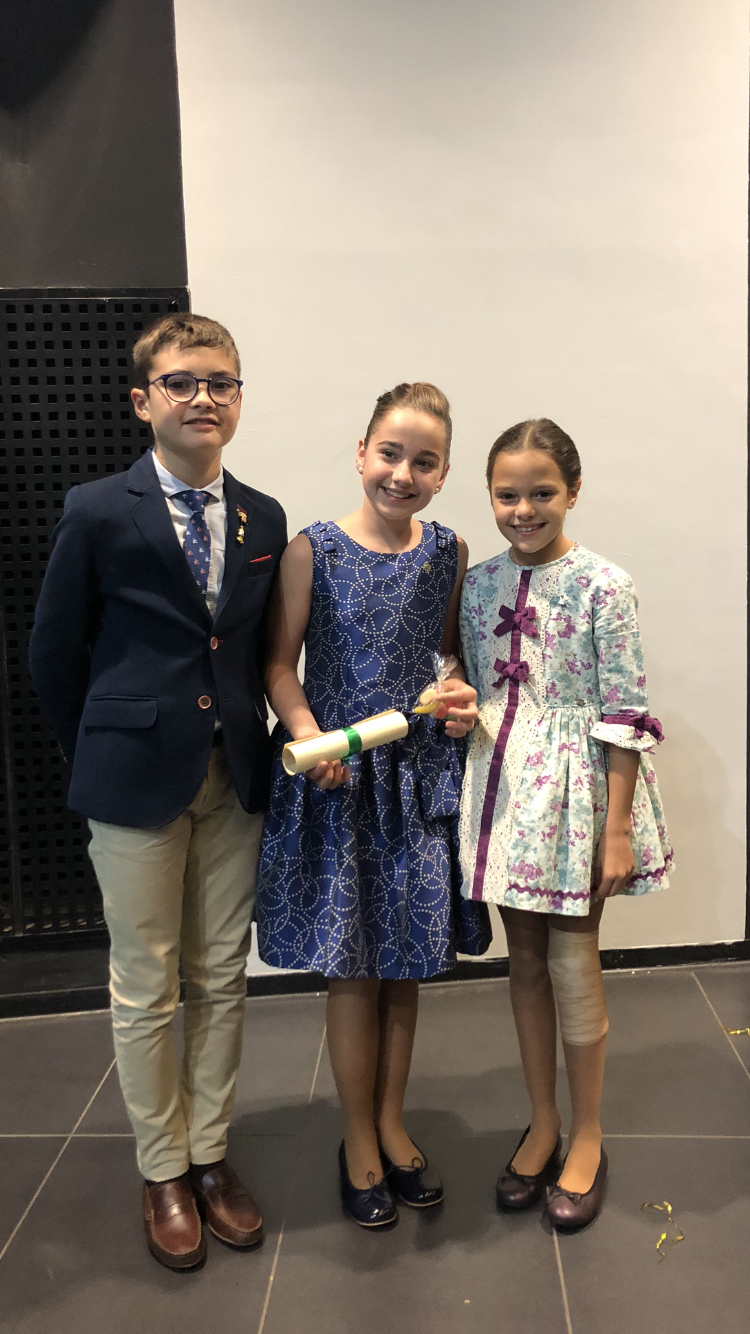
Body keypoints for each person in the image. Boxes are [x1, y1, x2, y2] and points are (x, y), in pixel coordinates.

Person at [29, 313, 287, 1270]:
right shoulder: (99, 508)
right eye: (182, 382)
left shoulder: (263, 516)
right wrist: (97, 754)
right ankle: (162, 1169)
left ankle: (210, 1154)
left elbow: (254, 651)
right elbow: (54, 652)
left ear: (238, 397)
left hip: (234, 776)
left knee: (220, 975)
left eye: (221, 382)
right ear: (144, 401)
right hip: (131, 779)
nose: (203, 398)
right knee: (146, 984)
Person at [256, 382, 491, 1228]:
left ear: (443, 474)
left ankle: (392, 1121)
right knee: (353, 969)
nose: (403, 473)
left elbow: (448, 660)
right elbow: (279, 665)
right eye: (390, 453)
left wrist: (456, 699)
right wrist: (311, 737)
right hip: (341, 780)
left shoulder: (449, 552)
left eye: (424, 462)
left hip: (416, 782)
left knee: (406, 962)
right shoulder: (312, 549)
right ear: (362, 453)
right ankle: (357, 1135)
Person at [459, 418, 672, 1230]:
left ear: (573, 492)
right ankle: (542, 1119)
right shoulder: (477, 584)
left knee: (573, 960)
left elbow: (625, 709)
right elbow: (467, 675)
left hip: (580, 795)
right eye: (507, 494)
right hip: (507, 789)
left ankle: (588, 1133)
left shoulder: (604, 586)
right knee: (523, 961)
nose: (524, 509)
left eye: (542, 492)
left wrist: (616, 829)